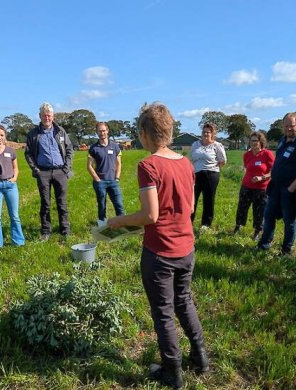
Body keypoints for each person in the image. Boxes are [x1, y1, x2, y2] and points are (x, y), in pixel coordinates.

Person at [108, 103, 208, 389]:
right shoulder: (186, 163)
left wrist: (118, 222)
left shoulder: (148, 165)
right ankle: (201, 358)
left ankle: (172, 371)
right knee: (184, 300)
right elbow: (188, 208)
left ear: (144, 133)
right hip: (186, 248)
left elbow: (150, 216)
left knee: (163, 311)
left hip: (160, 252)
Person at [257, 113, 296, 255]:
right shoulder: (283, 140)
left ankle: (286, 251)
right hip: (276, 186)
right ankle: (264, 244)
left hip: (290, 189)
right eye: (286, 126)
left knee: (289, 220)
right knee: (269, 215)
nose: (289, 129)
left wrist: (291, 188)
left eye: (292, 126)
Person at [25, 102, 73, 241]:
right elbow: (28, 154)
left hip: (60, 171)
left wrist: (66, 168)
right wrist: (36, 170)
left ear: (53, 116)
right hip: (43, 172)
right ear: (40, 116)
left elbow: (69, 149)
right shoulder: (33, 134)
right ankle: (46, 231)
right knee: (45, 202)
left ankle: (65, 229)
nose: (47, 117)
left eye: (49, 115)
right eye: (44, 115)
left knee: (62, 202)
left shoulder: (60, 131)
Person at [233, 131, 275, 240]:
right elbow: (247, 168)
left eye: (255, 141)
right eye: (251, 141)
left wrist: (262, 177)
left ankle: (257, 231)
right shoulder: (247, 155)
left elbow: (273, 171)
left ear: (261, 142)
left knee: (259, 210)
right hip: (246, 186)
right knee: (242, 207)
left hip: (261, 188)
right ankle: (238, 227)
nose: (253, 143)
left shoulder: (267, 154)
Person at [87, 122, 125, 226]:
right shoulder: (93, 148)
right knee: (102, 205)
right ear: (97, 132)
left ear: (107, 131)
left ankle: (122, 225)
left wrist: (117, 178)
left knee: (119, 204)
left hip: (113, 181)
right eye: (100, 131)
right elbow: (89, 166)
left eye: (104, 130)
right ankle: (102, 226)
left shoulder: (115, 147)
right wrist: (97, 179)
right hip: (100, 182)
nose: (102, 133)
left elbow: (119, 164)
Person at [190, 123, 226, 229]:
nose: (206, 134)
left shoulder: (217, 146)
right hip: (196, 174)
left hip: (211, 175)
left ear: (212, 134)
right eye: (204, 132)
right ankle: (188, 222)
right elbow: (191, 158)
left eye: (208, 132)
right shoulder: (195, 144)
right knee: (192, 198)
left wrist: (212, 168)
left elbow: (222, 161)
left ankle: (205, 224)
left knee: (208, 200)